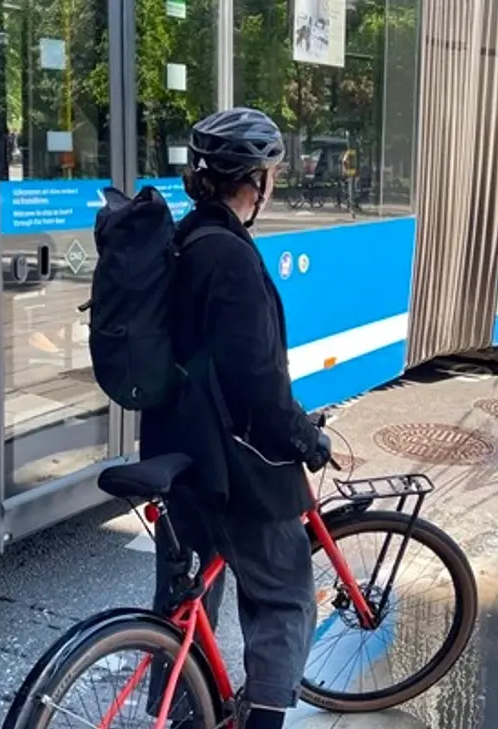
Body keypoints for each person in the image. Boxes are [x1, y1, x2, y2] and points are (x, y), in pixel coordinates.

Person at [140, 107, 333, 729]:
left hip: (175, 453)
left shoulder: (184, 238)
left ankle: (176, 711)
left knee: (187, 595)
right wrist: (305, 437)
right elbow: (259, 387)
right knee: (284, 597)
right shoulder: (232, 259)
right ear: (256, 180)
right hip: (229, 468)